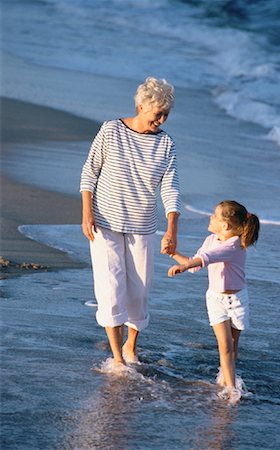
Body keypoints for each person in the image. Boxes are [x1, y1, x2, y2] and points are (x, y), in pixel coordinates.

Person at [80, 77, 181, 368]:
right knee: (111, 288)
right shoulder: (111, 131)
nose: (160, 120)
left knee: (140, 291)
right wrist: (87, 212)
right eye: (156, 114)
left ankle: (131, 347)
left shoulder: (166, 144)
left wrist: (172, 227)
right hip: (104, 222)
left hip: (142, 225)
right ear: (139, 106)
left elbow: (170, 188)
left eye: (166, 115)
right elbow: (90, 172)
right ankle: (117, 358)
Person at [166, 200, 260, 402]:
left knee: (233, 348)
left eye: (215, 216)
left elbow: (208, 257)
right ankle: (232, 390)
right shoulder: (210, 239)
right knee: (224, 346)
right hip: (216, 300)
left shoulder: (235, 245)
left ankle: (225, 378)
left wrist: (184, 266)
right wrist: (175, 255)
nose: (210, 217)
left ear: (225, 225)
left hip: (237, 301)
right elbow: (195, 265)